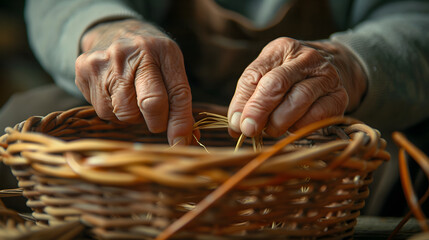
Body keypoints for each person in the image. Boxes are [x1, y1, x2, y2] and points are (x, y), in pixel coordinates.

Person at [1, 0, 428, 215]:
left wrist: (355, 63)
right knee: (20, 123)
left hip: (325, 124)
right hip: (151, 127)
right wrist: (108, 27)